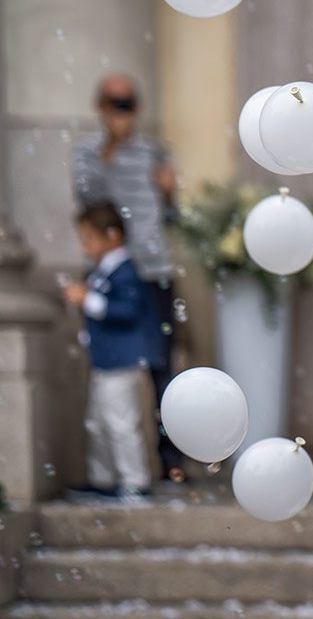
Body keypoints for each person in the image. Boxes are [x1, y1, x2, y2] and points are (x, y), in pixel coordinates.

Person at [71, 73, 186, 484]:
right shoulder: (88, 154)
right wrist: (109, 154)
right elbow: (88, 207)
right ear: (100, 107)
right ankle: (115, 473)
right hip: (116, 273)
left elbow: (173, 218)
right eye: (114, 104)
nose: (123, 113)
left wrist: (170, 193)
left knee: (162, 369)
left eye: (129, 104)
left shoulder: (155, 152)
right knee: (115, 371)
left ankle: (170, 460)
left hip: (154, 272)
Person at [63, 204, 156, 500]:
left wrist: (89, 298)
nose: (85, 246)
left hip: (122, 361)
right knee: (99, 423)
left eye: (89, 238)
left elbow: (126, 311)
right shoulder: (103, 270)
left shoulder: (126, 270)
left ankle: (135, 480)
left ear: (113, 236)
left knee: (121, 423)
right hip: (105, 360)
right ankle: (102, 478)